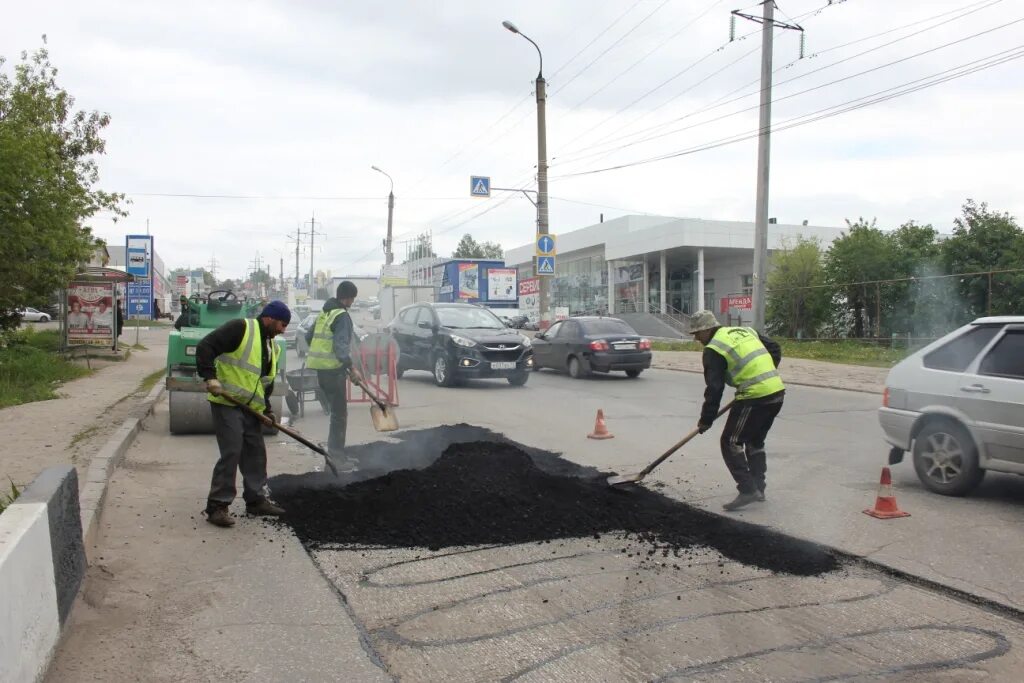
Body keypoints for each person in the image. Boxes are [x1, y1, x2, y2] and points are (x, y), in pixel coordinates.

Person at [196, 300, 291, 528]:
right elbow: (205, 347)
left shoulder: (271, 346)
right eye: (281, 324)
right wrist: (210, 377)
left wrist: (266, 410)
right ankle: (217, 505)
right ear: (269, 318)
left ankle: (256, 500)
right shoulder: (241, 328)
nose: (283, 329)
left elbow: (263, 383)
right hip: (227, 402)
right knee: (232, 451)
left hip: (251, 408)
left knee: (255, 452)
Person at [688, 310, 785, 512]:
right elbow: (774, 348)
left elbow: (714, 389)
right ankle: (759, 488)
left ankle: (748, 489)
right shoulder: (744, 331)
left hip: (754, 397)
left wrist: (706, 420)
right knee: (754, 441)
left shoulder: (713, 349)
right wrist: (765, 373)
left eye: (697, 333)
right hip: (776, 391)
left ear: (707, 329)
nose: (696, 338)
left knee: (730, 441)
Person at [305, 281, 361, 468]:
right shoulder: (342, 315)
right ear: (347, 297)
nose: (352, 302)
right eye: (352, 298)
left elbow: (308, 336)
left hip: (320, 371)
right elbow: (341, 347)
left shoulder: (325, 312)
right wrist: (352, 368)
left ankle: (337, 455)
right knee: (339, 415)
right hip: (333, 372)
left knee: (335, 413)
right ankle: (336, 458)